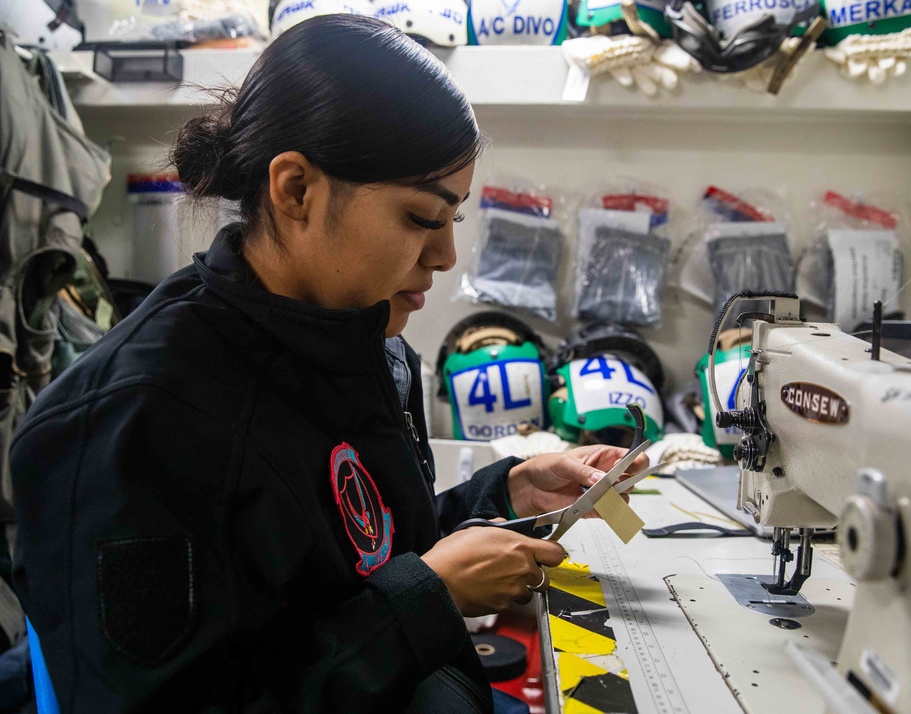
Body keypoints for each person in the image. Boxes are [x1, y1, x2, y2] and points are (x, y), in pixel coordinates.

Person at [10, 14, 648, 713]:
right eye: (419, 218)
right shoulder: (130, 425)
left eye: (452, 220)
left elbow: (357, 552)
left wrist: (508, 495)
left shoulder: (362, 347)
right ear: (295, 191)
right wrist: (424, 602)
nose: (444, 258)